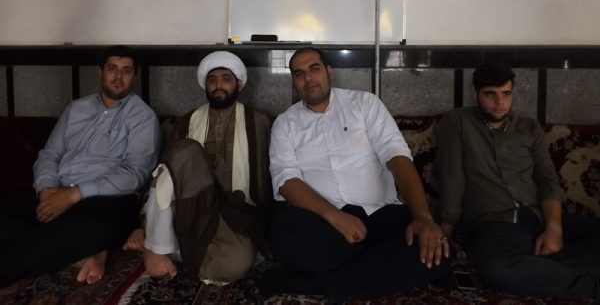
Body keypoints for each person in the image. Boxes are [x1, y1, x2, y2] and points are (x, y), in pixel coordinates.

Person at [261, 47, 451, 303]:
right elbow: (286, 180)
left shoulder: (364, 104)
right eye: (299, 73)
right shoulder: (285, 124)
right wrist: (335, 216)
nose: (308, 78)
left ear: (329, 71)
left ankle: (316, 282)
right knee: (285, 235)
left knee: (438, 248)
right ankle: (378, 268)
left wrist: (422, 217)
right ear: (294, 81)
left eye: (314, 69)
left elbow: (396, 156)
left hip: (380, 213)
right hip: (323, 222)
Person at [0, 45, 161, 287]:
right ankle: (86, 253)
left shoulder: (143, 117)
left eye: (126, 70)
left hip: (108, 200)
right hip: (58, 189)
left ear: (134, 77)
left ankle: (74, 250)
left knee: (70, 233)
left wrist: (75, 194)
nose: (118, 76)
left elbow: (134, 174)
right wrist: (46, 191)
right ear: (100, 72)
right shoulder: (76, 109)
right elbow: (50, 154)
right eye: (112, 68)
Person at [437, 62, 600, 298]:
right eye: (490, 94)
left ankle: (536, 266)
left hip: (538, 217)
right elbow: (452, 178)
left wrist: (554, 228)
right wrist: (445, 233)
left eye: (506, 93)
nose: (499, 102)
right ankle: (589, 285)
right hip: (495, 225)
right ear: (476, 94)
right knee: (498, 269)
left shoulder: (529, 127)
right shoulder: (458, 122)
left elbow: (547, 178)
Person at [123, 51, 273, 284]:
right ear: (205, 85)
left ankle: (178, 248)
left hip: (236, 211)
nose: (218, 85)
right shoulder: (187, 121)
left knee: (235, 263)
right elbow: (166, 175)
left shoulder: (259, 122)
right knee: (185, 150)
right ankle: (156, 247)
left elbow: (269, 176)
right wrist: (144, 223)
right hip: (192, 204)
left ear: (239, 84)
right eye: (212, 79)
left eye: (226, 78)